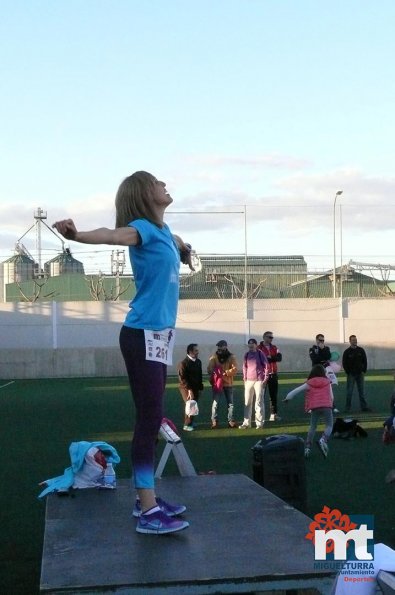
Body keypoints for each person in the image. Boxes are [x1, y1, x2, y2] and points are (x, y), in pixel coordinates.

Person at [53, 170, 192, 535]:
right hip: (142, 333)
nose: (165, 184)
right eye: (158, 182)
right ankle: (147, 510)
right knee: (149, 419)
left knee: (154, 415)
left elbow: (178, 243)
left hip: (159, 336)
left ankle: (144, 499)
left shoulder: (165, 233)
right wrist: (77, 235)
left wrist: (186, 251)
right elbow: (111, 236)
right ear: (145, 194)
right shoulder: (141, 229)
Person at [283, 364, 334, 459]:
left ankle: (307, 447)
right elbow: (332, 396)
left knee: (312, 427)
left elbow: (296, 391)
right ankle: (323, 439)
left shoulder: (309, 383)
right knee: (329, 425)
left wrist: (287, 398)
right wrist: (331, 404)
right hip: (327, 406)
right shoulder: (327, 382)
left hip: (314, 408)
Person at [207, 340, 238, 428]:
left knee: (230, 404)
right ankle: (214, 420)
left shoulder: (231, 357)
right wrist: (215, 372)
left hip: (228, 384)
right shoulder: (214, 357)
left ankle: (231, 420)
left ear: (225, 346)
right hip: (217, 384)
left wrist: (225, 373)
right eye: (218, 346)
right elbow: (209, 369)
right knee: (215, 403)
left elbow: (235, 369)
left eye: (221, 346)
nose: (219, 348)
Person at [239, 339, 268, 429]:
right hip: (249, 381)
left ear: (256, 345)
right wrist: (244, 379)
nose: (251, 346)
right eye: (249, 344)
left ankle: (259, 424)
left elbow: (266, 366)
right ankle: (246, 423)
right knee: (247, 402)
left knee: (259, 402)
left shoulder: (260, 354)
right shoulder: (246, 355)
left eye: (252, 344)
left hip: (259, 380)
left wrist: (265, 378)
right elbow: (244, 367)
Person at [309, 333, 339, 413]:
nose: (322, 342)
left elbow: (328, 357)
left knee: (329, 388)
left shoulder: (326, 348)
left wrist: (322, 350)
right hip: (316, 371)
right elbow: (314, 359)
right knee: (314, 389)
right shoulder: (312, 349)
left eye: (323, 340)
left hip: (325, 371)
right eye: (320, 340)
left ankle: (332, 406)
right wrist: (322, 356)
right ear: (316, 340)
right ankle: (312, 407)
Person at [177, 343, 204, 431]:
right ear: (190, 351)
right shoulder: (183, 363)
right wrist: (189, 390)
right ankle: (186, 425)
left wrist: (200, 388)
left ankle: (191, 422)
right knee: (190, 404)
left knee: (194, 404)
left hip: (196, 387)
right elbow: (182, 378)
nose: (197, 352)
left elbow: (200, 375)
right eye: (196, 350)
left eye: (197, 350)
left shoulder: (198, 362)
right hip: (185, 388)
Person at [342, 335, 371, 413]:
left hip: (360, 374)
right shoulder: (347, 352)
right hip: (351, 374)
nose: (355, 341)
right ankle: (347, 408)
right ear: (350, 341)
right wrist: (348, 372)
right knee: (349, 392)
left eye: (355, 340)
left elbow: (365, 361)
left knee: (361, 391)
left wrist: (363, 370)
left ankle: (364, 407)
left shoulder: (361, 350)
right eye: (353, 340)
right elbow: (344, 363)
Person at [258, 331, 282, 421]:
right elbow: (259, 360)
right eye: (269, 337)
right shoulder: (258, 348)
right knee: (261, 396)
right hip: (263, 376)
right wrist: (269, 358)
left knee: (273, 396)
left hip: (273, 375)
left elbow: (279, 358)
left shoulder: (275, 347)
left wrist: (269, 358)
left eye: (272, 337)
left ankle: (273, 414)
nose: (271, 339)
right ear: (264, 337)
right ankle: (260, 415)